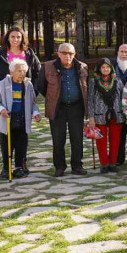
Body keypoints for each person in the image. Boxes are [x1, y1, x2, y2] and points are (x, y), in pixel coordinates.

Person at [38, 43, 89, 177]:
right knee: (58, 138)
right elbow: (42, 87)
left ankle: (77, 165)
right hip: (57, 108)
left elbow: (85, 86)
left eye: (71, 53)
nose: (68, 56)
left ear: (74, 54)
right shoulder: (48, 67)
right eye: (65, 53)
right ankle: (59, 167)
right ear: (58, 53)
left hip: (76, 107)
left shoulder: (82, 67)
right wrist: (54, 98)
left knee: (77, 138)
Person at [0, 59, 41, 179]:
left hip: (23, 119)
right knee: (7, 145)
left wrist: (36, 112)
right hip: (8, 120)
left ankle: (19, 168)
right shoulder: (1, 85)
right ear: (11, 71)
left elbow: (32, 102)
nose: (22, 73)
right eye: (19, 70)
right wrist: (1, 109)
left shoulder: (28, 85)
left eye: (24, 71)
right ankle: (6, 169)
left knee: (21, 145)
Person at [87, 58, 125, 174]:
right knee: (101, 141)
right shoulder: (93, 82)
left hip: (116, 114)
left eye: (107, 67)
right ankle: (104, 163)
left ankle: (113, 163)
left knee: (115, 140)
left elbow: (123, 97)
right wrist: (91, 117)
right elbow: (90, 100)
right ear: (99, 69)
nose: (105, 69)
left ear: (111, 68)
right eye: (103, 67)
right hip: (99, 115)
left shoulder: (117, 81)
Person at [0, 26, 42, 92]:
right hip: (4, 94)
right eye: (12, 37)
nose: (15, 39)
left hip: (26, 95)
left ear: (22, 39)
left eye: (18, 37)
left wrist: (34, 91)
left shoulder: (30, 55)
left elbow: (39, 74)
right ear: (8, 38)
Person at [112, 44, 127, 167]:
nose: (124, 54)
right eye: (121, 51)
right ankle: (118, 159)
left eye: (126, 52)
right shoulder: (111, 66)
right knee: (118, 135)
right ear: (118, 53)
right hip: (116, 108)